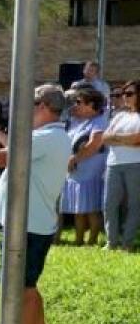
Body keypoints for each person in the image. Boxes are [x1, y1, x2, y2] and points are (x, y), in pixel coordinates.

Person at [0, 84, 71, 324]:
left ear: (41, 106)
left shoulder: (46, 138)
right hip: (34, 223)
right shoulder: (51, 136)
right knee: (29, 286)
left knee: (20, 289)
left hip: (27, 226)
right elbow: (16, 148)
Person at [61, 88, 109, 246]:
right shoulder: (79, 120)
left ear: (91, 104)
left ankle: (92, 240)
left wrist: (75, 159)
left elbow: (95, 144)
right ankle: (79, 239)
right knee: (79, 207)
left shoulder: (100, 120)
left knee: (91, 207)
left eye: (79, 102)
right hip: (77, 169)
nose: (76, 105)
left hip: (91, 168)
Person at [102, 80, 140, 251]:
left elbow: (137, 138)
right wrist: (127, 139)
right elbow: (105, 138)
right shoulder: (119, 116)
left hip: (136, 164)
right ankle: (111, 242)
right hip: (113, 164)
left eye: (129, 93)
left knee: (134, 204)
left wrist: (116, 138)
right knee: (109, 204)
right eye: (123, 94)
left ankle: (127, 243)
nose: (125, 97)